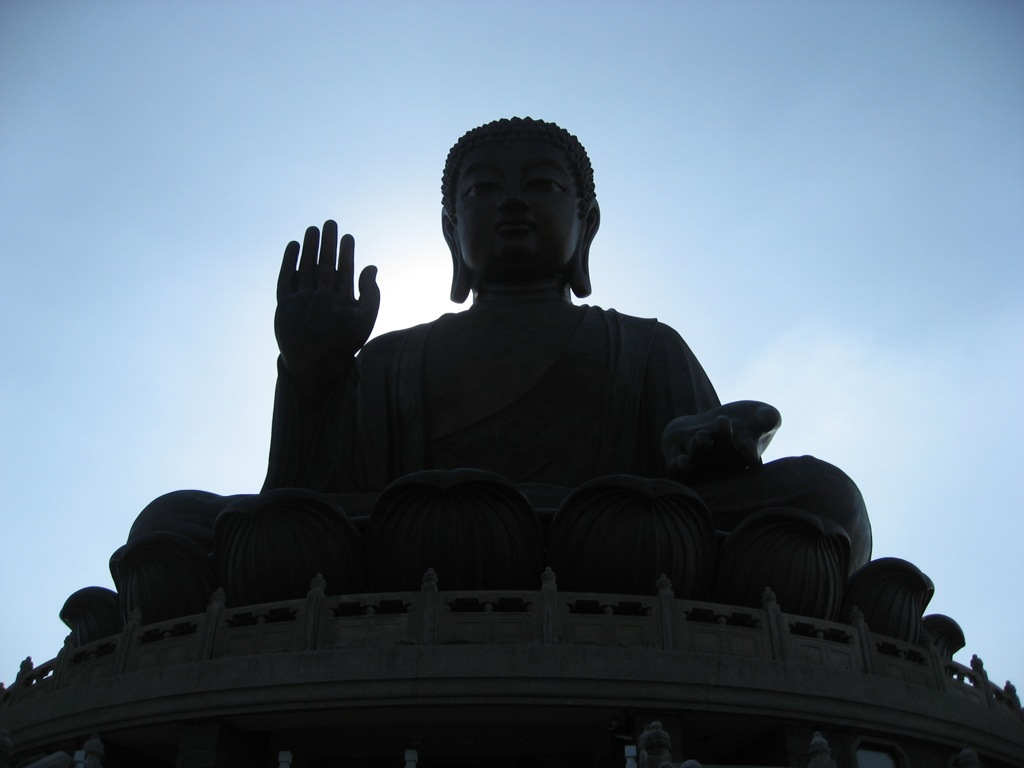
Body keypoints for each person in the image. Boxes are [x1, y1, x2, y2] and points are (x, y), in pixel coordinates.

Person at [263, 117, 871, 568]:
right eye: (481, 191)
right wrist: (313, 373)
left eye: (544, 185)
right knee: (177, 518)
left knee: (828, 498)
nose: (513, 202)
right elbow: (305, 500)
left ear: (588, 224)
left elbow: (704, 479)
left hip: (610, 539)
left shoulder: (644, 347)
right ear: (451, 230)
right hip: (483, 544)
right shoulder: (392, 360)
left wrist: (712, 446)